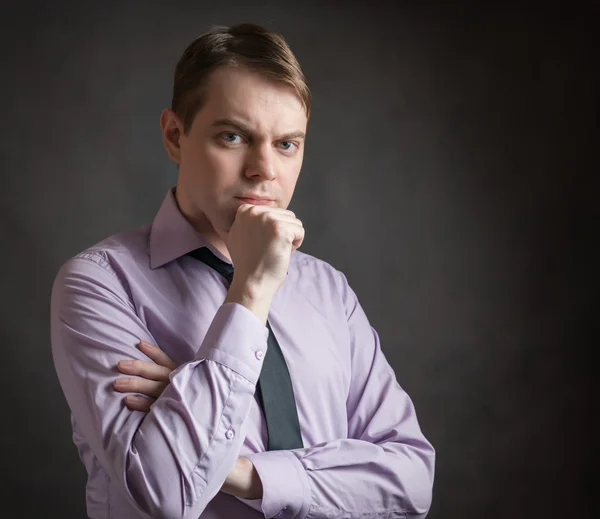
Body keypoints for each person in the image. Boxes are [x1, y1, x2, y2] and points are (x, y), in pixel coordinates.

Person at [50, 23, 435, 519]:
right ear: (175, 135)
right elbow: (166, 492)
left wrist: (236, 471)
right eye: (233, 136)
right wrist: (252, 287)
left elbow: (410, 483)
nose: (263, 169)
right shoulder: (99, 284)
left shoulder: (328, 290)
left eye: (287, 144)